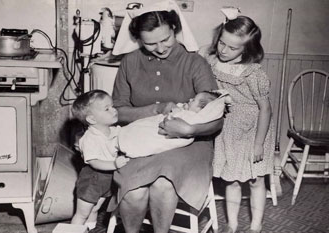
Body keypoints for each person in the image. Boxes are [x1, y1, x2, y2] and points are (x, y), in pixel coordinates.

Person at [108, 1, 223, 232]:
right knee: (134, 191)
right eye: (150, 44)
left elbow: (216, 117)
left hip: (189, 144)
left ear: (174, 28)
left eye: (166, 39)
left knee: (163, 185)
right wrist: (155, 109)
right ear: (139, 40)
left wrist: (188, 130)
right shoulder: (130, 63)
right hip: (142, 140)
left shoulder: (195, 63)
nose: (160, 48)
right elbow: (117, 111)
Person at [200, 7, 275, 233]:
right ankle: (232, 225)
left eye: (232, 47)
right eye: (222, 43)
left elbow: (266, 110)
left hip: (254, 130)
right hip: (228, 128)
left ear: (248, 48)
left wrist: (259, 143)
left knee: (256, 180)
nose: (224, 50)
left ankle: (255, 225)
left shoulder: (253, 73)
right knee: (231, 179)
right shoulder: (213, 62)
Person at [70, 89, 130, 230]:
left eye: (112, 106)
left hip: (108, 179)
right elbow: (94, 162)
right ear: (91, 119)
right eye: (107, 109)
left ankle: (91, 230)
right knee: (82, 214)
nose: (114, 110)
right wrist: (114, 164)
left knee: (95, 209)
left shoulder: (114, 130)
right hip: (92, 180)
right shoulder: (89, 138)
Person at [119, 91, 230, 158]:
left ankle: (127, 143)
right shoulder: (188, 111)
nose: (190, 99)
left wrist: (189, 129)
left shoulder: (192, 118)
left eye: (193, 100)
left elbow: (218, 120)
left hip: (177, 146)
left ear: (201, 109)